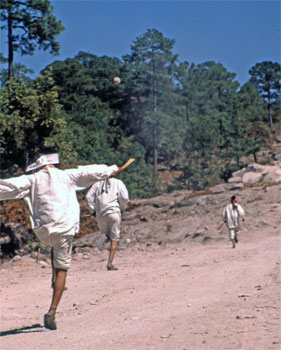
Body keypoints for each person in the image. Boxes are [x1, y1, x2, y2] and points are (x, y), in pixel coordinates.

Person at [0, 150, 121, 330]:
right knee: (62, 269)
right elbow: (91, 171)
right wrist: (112, 169)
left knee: (53, 247)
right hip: (64, 229)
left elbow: (7, 186)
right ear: (55, 165)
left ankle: (54, 279)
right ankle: (52, 311)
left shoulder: (32, 179)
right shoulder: (67, 176)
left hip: (43, 231)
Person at [85, 177, 129, 271]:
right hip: (113, 212)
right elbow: (124, 198)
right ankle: (110, 263)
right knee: (114, 238)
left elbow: (88, 197)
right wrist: (122, 207)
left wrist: (92, 210)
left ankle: (101, 245)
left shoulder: (97, 184)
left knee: (104, 233)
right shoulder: (118, 182)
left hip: (100, 215)